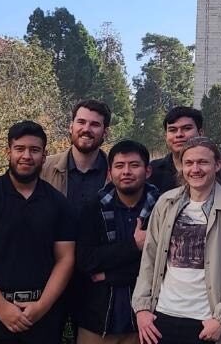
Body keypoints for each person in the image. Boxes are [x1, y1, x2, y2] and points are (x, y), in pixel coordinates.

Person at [0, 121, 76, 343]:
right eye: (20, 149)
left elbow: (66, 258)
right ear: (8, 152)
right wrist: (0, 306)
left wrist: (42, 306)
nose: (26, 156)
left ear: (44, 155)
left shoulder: (59, 203)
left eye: (34, 150)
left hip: (41, 316)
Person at [132, 137, 221, 344]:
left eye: (203, 162)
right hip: (162, 316)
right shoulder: (166, 202)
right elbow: (149, 259)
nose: (195, 169)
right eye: (189, 163)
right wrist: (142, 309)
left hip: (209, 321)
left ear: (217, 164)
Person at [75, 140, 161, 344]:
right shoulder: (92, 208)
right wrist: (134, 247)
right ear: (109, 172)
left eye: (134, 165)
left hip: (146, 322)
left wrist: (110, 274)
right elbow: (86, 261)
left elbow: (163, 266)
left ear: (147, 171)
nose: (126, 171)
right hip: (97, 322)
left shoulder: (162, 208)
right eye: (120, 166)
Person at [42, 99, 111, 212]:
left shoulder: (116, 174)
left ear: (105, 132)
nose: (86, 129)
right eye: (81, 122)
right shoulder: (44, 169)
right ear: (71, 127)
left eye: (95, 124)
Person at [149, 107, 204, 193]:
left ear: (200, 133)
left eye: (186, 128)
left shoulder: (215, 170)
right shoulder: (152, 171)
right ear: (166, 136)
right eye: (172, 130)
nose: (179, 135)